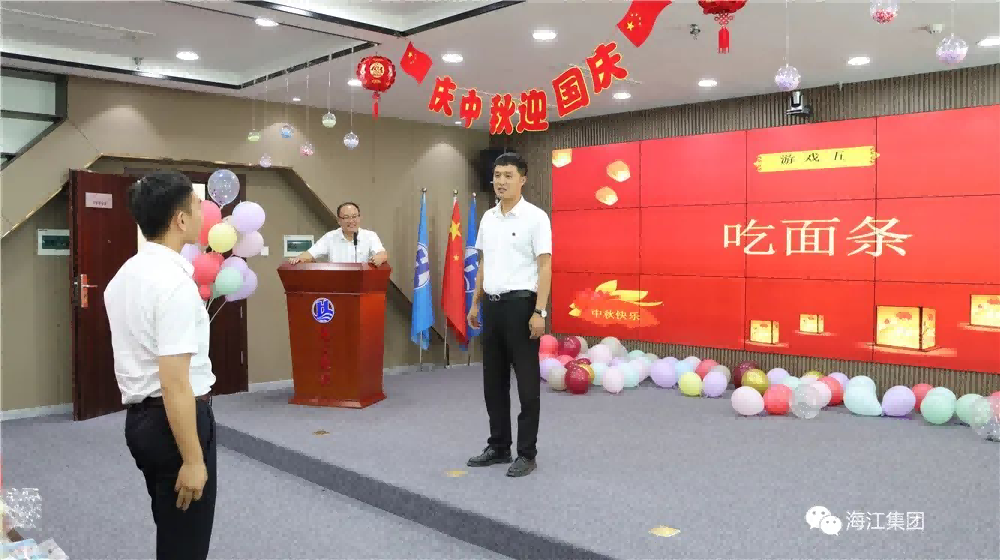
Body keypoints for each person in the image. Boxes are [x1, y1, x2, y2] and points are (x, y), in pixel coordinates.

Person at [104, 171, 217, 559]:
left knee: (172, 531)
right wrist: (193, 459)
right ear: (180, 220)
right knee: (186, 545)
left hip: (142, 422)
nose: (204, 213)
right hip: (175, 424)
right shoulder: (173, 284)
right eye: (198, 206)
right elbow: (174, 382)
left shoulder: (124, 276)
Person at [466, 152, 552, 478]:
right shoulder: (488, 218)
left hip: (521, 306)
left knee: (527, 386)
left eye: (508, 175)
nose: (501, 181)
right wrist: (476, 303)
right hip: (492, 305)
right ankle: (499, 446)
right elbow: (484, 263)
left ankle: (526, 453)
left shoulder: (536, 218)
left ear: (523, 179)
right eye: (497, 175)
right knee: (494, 383)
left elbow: (545, 266)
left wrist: (540, 310)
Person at [287, 202, 388, 265]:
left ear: (360, 217)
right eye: (346, 217)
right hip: (336, 286)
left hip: (362, 287)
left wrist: (379, 257)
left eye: (354, 216)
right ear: (339, 220)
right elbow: (310, 254)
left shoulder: (370, 236)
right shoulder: (330, 237)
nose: (351, 221)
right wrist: (298, 258)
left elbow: (382, 254)